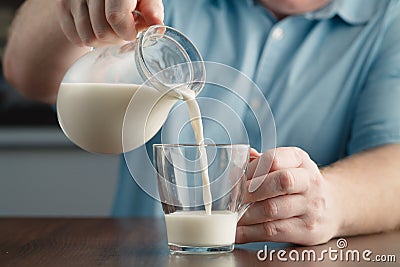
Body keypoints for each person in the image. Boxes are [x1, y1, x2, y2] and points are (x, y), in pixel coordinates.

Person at [3, 0, 400, 246]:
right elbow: (25, 73)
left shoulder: (389, 19)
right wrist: (69, 9)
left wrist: (330, 200)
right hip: (144, 258)